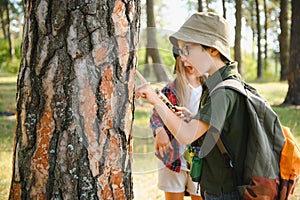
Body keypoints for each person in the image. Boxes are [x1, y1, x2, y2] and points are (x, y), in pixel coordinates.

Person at [136, 12, 248, 200]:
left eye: (187, 50)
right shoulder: (221, 84)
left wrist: (156, 100)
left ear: (212, 48)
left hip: (224, 190)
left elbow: (186, 135)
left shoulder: (223, 91)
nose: (183, 58)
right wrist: (194, 118)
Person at [150, 47, 205, 200]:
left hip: (201, 158)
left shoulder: (210, 90)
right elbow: (156, 116)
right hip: (173, 157)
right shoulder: (169, 90)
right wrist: (159, 130)